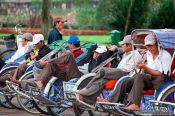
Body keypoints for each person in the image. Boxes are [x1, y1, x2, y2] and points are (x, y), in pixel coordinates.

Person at [104, 34, 172, 111]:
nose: (149, 48)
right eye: (147, 46)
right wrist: (143, 68)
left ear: (157, 44)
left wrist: (144, 67)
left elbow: (161, 74)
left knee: (139, 76)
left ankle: (135, 104)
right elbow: (149, 69)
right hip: (149, 77)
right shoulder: (149, 54)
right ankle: (110, 101)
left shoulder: (165, 55)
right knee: (125, 82)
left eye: (151, 46)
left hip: (160, 80)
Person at [75, 35, 143, 104]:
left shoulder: (136, 55)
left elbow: (129, 70)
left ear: (129, 46)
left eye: (123, 45)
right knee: (101, 81)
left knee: (103, 70)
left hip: (126, 74)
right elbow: (118, 51)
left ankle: (87, 88)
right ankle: (88, 99)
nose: (122, 46)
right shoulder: (126, 53)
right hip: (120, 72)